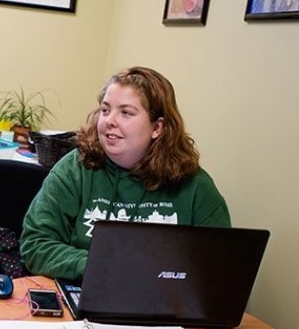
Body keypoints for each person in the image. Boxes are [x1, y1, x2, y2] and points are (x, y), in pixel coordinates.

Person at [20, 66, 231, 279]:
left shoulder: (195, 185)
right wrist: (100, 266)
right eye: (105, 110)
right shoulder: (75, 168)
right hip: (88, 291)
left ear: (158, 128)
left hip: (166, 303)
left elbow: (222, 266)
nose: (110, 120)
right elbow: (35, 244)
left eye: (126, 112)